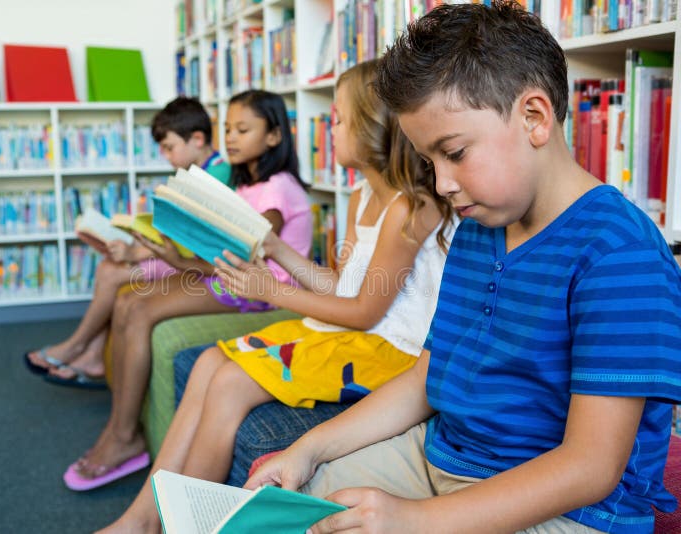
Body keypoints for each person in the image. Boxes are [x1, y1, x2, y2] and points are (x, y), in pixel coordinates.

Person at [245, 3, 681, 533]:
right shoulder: (477, 228)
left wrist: (418, 521)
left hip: (571, 510)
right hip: (443, 459)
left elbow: (590, 467)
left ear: (535, 118)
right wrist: (309, 447)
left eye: (454, 152)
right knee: (285, 512)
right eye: (431, 162)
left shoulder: (620, 253)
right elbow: (430, 375)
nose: (442, 184)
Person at [99, 58, 457, 534]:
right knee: (208, 364)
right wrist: (275, 249)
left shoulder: (410, 209)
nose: (331, 129)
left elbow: (364, 311)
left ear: (376, 129)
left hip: (389, 351)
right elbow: (340, 286)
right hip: (349, 332)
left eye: (340, 119)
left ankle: (194, 526)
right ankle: (142, 518)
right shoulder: (360, 196)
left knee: (228, 383)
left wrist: (272, 290)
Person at [63, 89, 313, 491]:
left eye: (242, 129)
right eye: (227, 128)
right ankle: (118, 428)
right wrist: (176, 259)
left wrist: (185, 255)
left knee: (141, 310)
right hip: (236, 279)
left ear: (273, 136)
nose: (230, 137)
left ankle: (124, 437)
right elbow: (227, 258)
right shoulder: (246, 185)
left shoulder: (277, 189)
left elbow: (249, 256)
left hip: (261, 290)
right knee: (129, 301)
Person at [23, 97, 230, 387]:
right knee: (112, 265)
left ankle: (76, 347)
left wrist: (136, 251)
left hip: (191, 261)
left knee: (112, 271)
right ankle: (92, 352)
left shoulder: (217, 175)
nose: (165, 155)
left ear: (197, 139)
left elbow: (186, 235)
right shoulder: (201, 171)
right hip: (179, 254)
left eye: (169, 147)